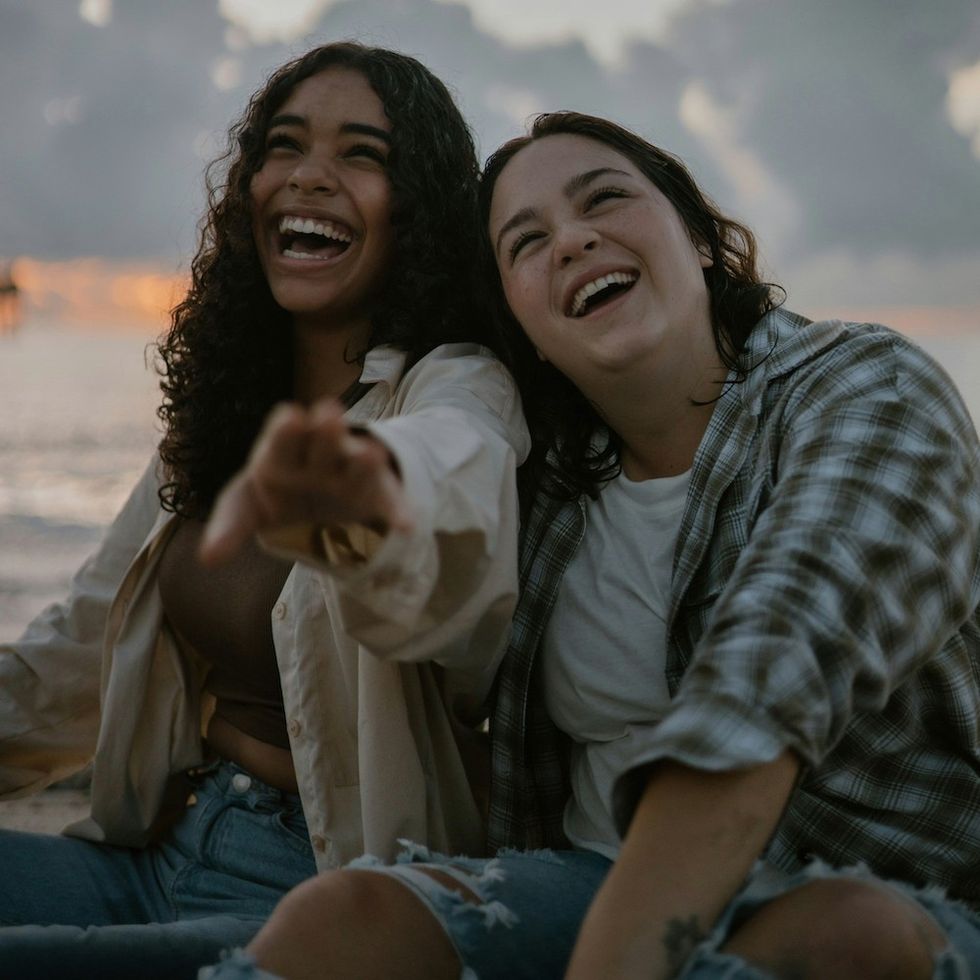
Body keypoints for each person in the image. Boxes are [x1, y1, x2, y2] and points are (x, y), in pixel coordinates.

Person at [201, 112, 980, 980]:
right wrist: (364, 506)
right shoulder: (550, 484)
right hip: (590, 877)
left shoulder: (866, 387)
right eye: (525, 242)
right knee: (343, 919)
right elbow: (440, 576)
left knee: (842, 939)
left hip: (884, 890)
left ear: (698, 237)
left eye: (603, 199)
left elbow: (771, 676)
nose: (571, 241)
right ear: (525, 326)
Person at [0, 43, 527, 979]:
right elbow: (78, 648)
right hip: (165, 844)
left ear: (419, 209)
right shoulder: (218, 414)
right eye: (285, 146)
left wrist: (364, 490)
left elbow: (458, 502)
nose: (309, 176)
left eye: (362, 154)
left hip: (323, 892)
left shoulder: (454, 389)